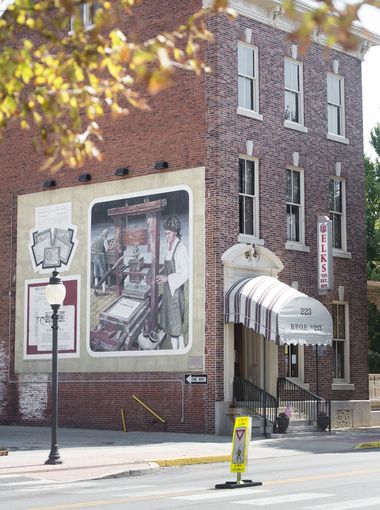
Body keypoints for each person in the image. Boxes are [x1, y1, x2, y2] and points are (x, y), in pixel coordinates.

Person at [156, 215, 189, 350]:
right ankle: (176, 351)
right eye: (165, 233)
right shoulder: (170, 247)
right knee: (171, 326)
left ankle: (179, 351)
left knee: (176, 328)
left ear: (175, 232)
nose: (166, 236)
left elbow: (185, 273)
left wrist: (167, 278)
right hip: (168, 293)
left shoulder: (180, 249)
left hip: (175, 294)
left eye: (168, 233)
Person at [93, 229, 109, 293]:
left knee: (96, 274)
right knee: (103, 274)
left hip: (95, 257)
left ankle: (96, 290)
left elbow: (95, 248)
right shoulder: (104, 240)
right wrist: (112, 247)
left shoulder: (96, 240)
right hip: (101, 257)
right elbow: (107, 249)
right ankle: (104, 291)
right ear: (106, 235)